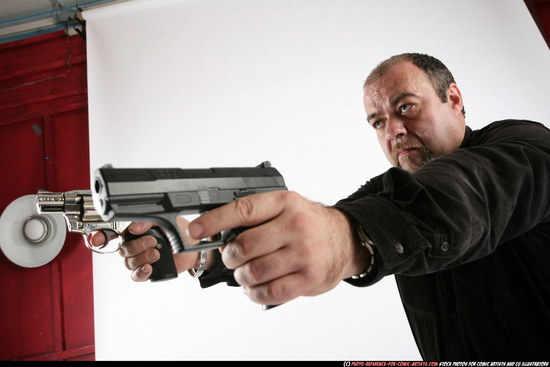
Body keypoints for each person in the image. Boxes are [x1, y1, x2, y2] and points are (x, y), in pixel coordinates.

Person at [95, 53, 550, 360]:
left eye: (406, 107)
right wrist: (202, 248)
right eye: (378, 121)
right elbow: (309, 230)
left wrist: (343, 238)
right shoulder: (387, 190)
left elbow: (461, 199)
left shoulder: (524, 147)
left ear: (453, 99)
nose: (393, 130)